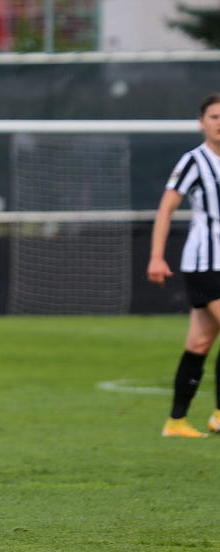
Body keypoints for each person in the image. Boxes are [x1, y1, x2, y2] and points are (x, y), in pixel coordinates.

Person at [147, 92, 220, 439]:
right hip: (207, 263)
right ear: (201, 122)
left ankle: (176, 422)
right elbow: (166, 209)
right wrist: (157, 256)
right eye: (214, 117)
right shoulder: (194, 161)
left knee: (200, 343)